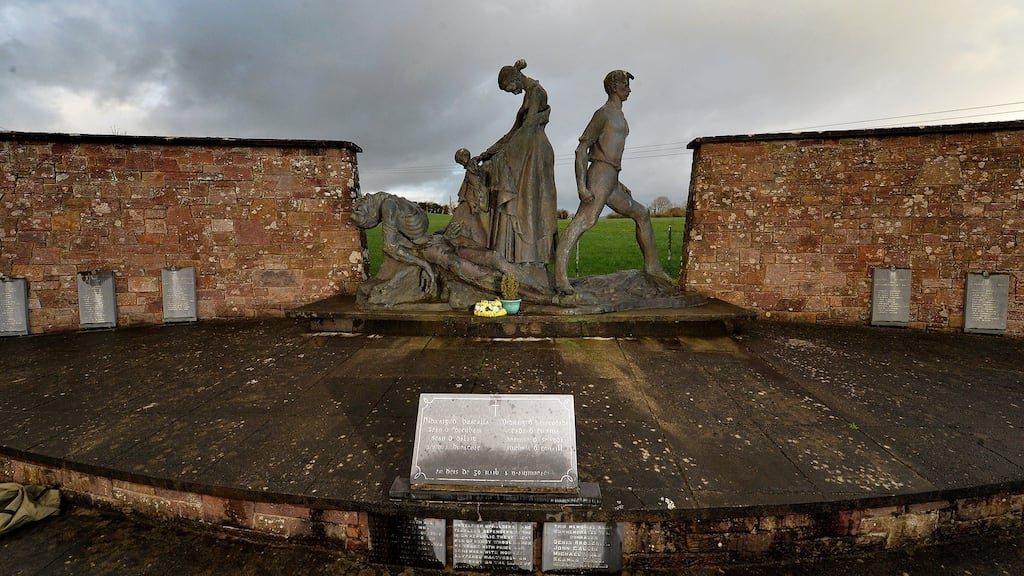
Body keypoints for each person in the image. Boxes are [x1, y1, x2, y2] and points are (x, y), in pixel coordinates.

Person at [553, 70, 670, 294]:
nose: (629, 89)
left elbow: (611, 151)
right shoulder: (603, 114)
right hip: (599, 175)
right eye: (625, 85)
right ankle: (560, 279)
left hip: (611, 178)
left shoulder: (620, 115)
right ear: (614, 87)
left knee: (642, 213)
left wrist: (618, 180)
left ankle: (653, 269)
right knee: (585, 221)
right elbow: (581, 149)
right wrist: (581, 186)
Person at [476, 59, 558, 266]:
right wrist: (488, 153)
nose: (511, 92)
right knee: (522, 201)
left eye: (509, 88)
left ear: (515, 79)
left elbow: (528, 127)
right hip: (525, 148)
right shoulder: (529, 94)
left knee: (530, 201)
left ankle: (532, 257)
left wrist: (501, 158)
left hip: (535, 152)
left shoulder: (537, 92)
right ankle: (518, 256)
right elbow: (514, 131)